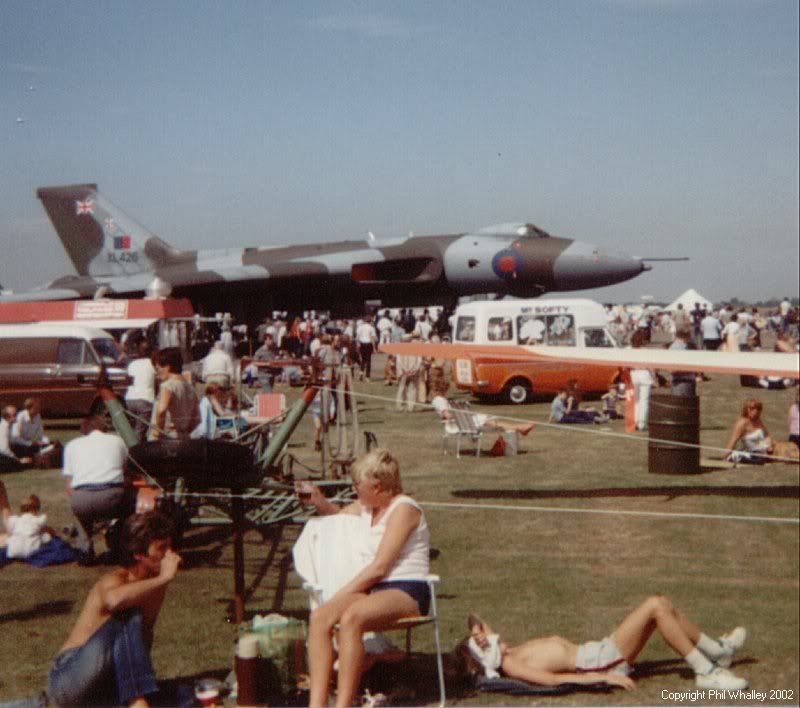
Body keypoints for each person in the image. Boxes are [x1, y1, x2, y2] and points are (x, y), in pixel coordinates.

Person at [300, 449, 431, 708]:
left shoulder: (404, 509)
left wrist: (340, 595)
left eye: (357, 485)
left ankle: (344, 704)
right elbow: (339, 517)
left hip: (407, 590)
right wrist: (319, 502)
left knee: (351, 617)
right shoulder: (367, 507)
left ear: (377, 486)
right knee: (319, 617)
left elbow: (379, 568)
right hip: (375, 593)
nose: (354, 490)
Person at [456, 597, 748, 691]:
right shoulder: (511, 663)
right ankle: (705, 672)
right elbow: (552, 680)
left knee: (663, 605)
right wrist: (603, 678)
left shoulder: (510, 651)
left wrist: (477, 629)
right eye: (483, 641)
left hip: (601, 650)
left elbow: (474, 616)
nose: (489, 635)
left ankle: (720, 652)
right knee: (656, 606)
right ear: (488, 657)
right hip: (602, 661)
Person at [47, 511, 181, 707]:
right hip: (68, 679)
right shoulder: (115, 579)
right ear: (139, 554)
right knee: (128, 613)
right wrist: (164, 578)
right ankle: (137, 702)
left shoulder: (154, 585)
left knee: (186, 693)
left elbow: (142, 641)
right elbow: (113, 600)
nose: (170, 554)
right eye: (161, 548)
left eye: (170, 546)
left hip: (103, 687)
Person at [63, 416, 133, 562]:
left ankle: (85, 550)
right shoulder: (117, 441)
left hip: (81, 497)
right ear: (104, 428)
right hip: (112, 495)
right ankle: (117, 546)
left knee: (80, 515)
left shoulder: (71, 445)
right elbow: (125, 472)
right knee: (129, 507)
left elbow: (69, 486)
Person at [149, 348, 199, 441]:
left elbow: (161, 410)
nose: (157, 372)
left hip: (167, 439)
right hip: (184, 439)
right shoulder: (190, 388)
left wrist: (157, 432)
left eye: (158, 368)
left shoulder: (168, 386)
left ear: (167, 366)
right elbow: (197, 418)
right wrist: (186, 431)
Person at [432, 395, 535, 436]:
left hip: (463, 422)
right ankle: (520, 428)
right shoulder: (438, 400)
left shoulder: (441, 399)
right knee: (492, 422)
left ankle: (520, 428)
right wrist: (462, 415)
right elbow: (448, 415)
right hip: (458, 425)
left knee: (493, 422)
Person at [0, 487, 58, 559]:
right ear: (35, 509)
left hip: (12, 551)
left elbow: (10, 533)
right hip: (29, 551)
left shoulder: (15, 520)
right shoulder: (38, 520)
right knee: (46, 537)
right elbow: (48, 531)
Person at [723, 399, 774, 464]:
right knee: (756, 459)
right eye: (752, 408)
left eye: (758, 409)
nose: (755, 411)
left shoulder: (758, 421)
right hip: (750, 453)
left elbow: (767, 435)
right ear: (746, 409)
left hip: (763, 452)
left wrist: (770, 447)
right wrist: (725, 456)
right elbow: (733, 441)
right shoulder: (742, 423)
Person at [125, 340, 156, 444]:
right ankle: (135, 456)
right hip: (145, 400)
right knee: (140, 434)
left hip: (129, 400)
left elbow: (129, 382)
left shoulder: (132, 364)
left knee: (130, 433)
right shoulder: (153, 364)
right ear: (151, 351)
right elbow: (156, 383)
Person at [0, 404, 34, 472]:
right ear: (9, 416)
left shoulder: (9, 425)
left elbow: (14, 439)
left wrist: (30, 443)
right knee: (19, 465)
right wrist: (18, 460)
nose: (17, 416)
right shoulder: (4, 427)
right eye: (15, 414)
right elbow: (4, 449)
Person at [669, 327, 697, 397]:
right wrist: (691, 368)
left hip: (686, 381)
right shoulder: (677, 348)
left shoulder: (684, 346)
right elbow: (673, 369)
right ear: (686, 335)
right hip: (681, 382)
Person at [356, 316, 378, 381]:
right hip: (368, 344)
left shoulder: (360, 327)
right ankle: (367, 377)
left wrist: (358, 344)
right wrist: (374, 348)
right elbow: (372, 338)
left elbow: (357, 337)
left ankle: (361, 372)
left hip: (362, 344)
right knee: (368, 361)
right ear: (370, 321)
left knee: (363, 359)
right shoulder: (371, 328)